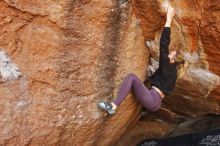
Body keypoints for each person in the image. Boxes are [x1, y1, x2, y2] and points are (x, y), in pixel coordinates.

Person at [97, 5, 182, 115]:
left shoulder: (168, 66)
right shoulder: (173, 74)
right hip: (156, 103)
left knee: (131, 77)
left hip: (152, 98)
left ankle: (113, 106)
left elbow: (163, 45)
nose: (169, 53)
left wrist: (169, 19)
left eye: (171, 54)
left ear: (173, 60)